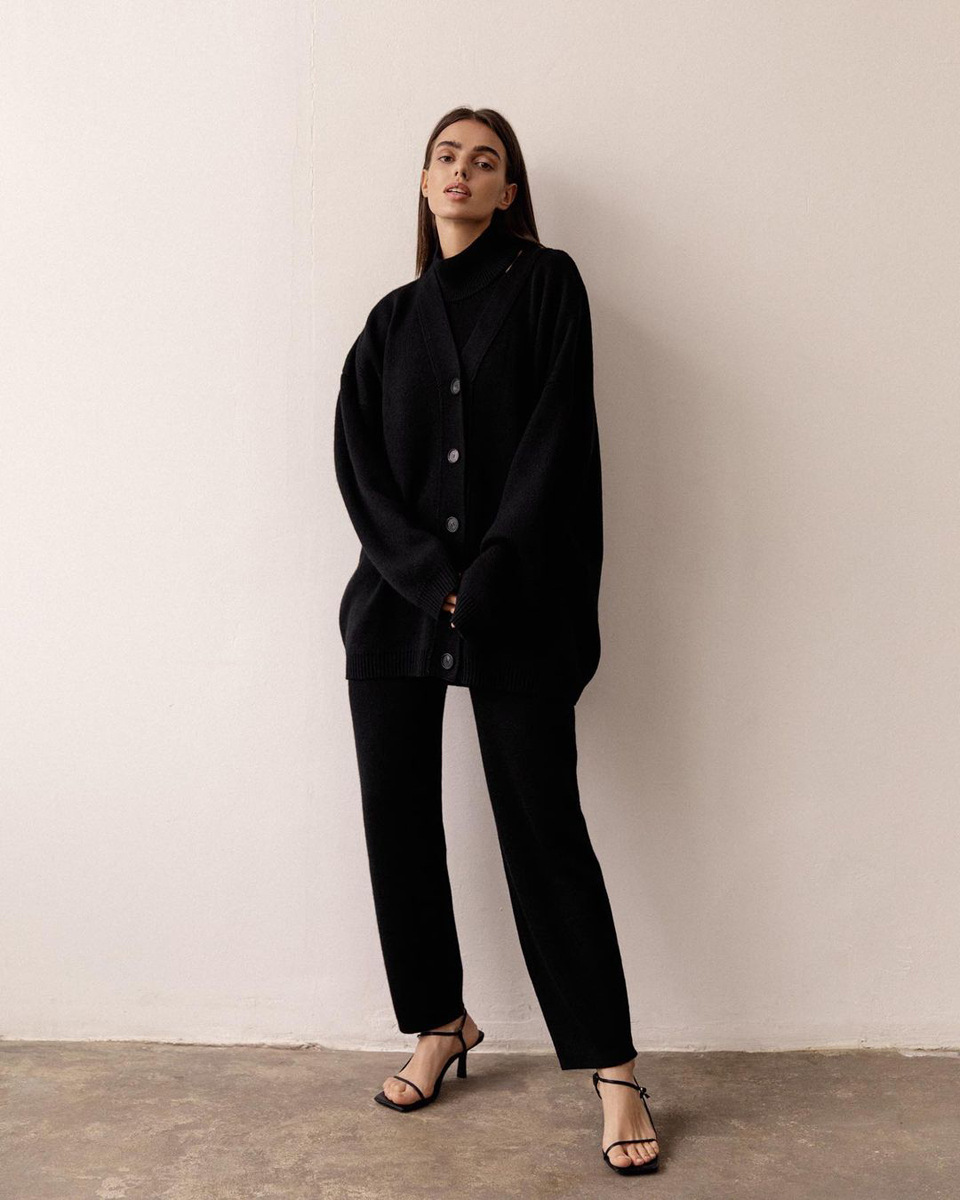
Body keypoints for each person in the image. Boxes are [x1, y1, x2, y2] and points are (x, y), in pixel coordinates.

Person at [334, 107, 660, 1176]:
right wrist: (432, 581)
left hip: (517, 605)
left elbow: (557, 442)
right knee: (397, 824)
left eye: (485, 161)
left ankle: (614, 1067)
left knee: (543, 827)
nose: (462, 173)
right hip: (396, 608)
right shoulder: (390, 321)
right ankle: (441, 1021)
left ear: (509, 191)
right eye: (446, 157)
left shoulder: (549, 285)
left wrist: (489, 577)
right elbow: (359, 470)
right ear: (424, 182)